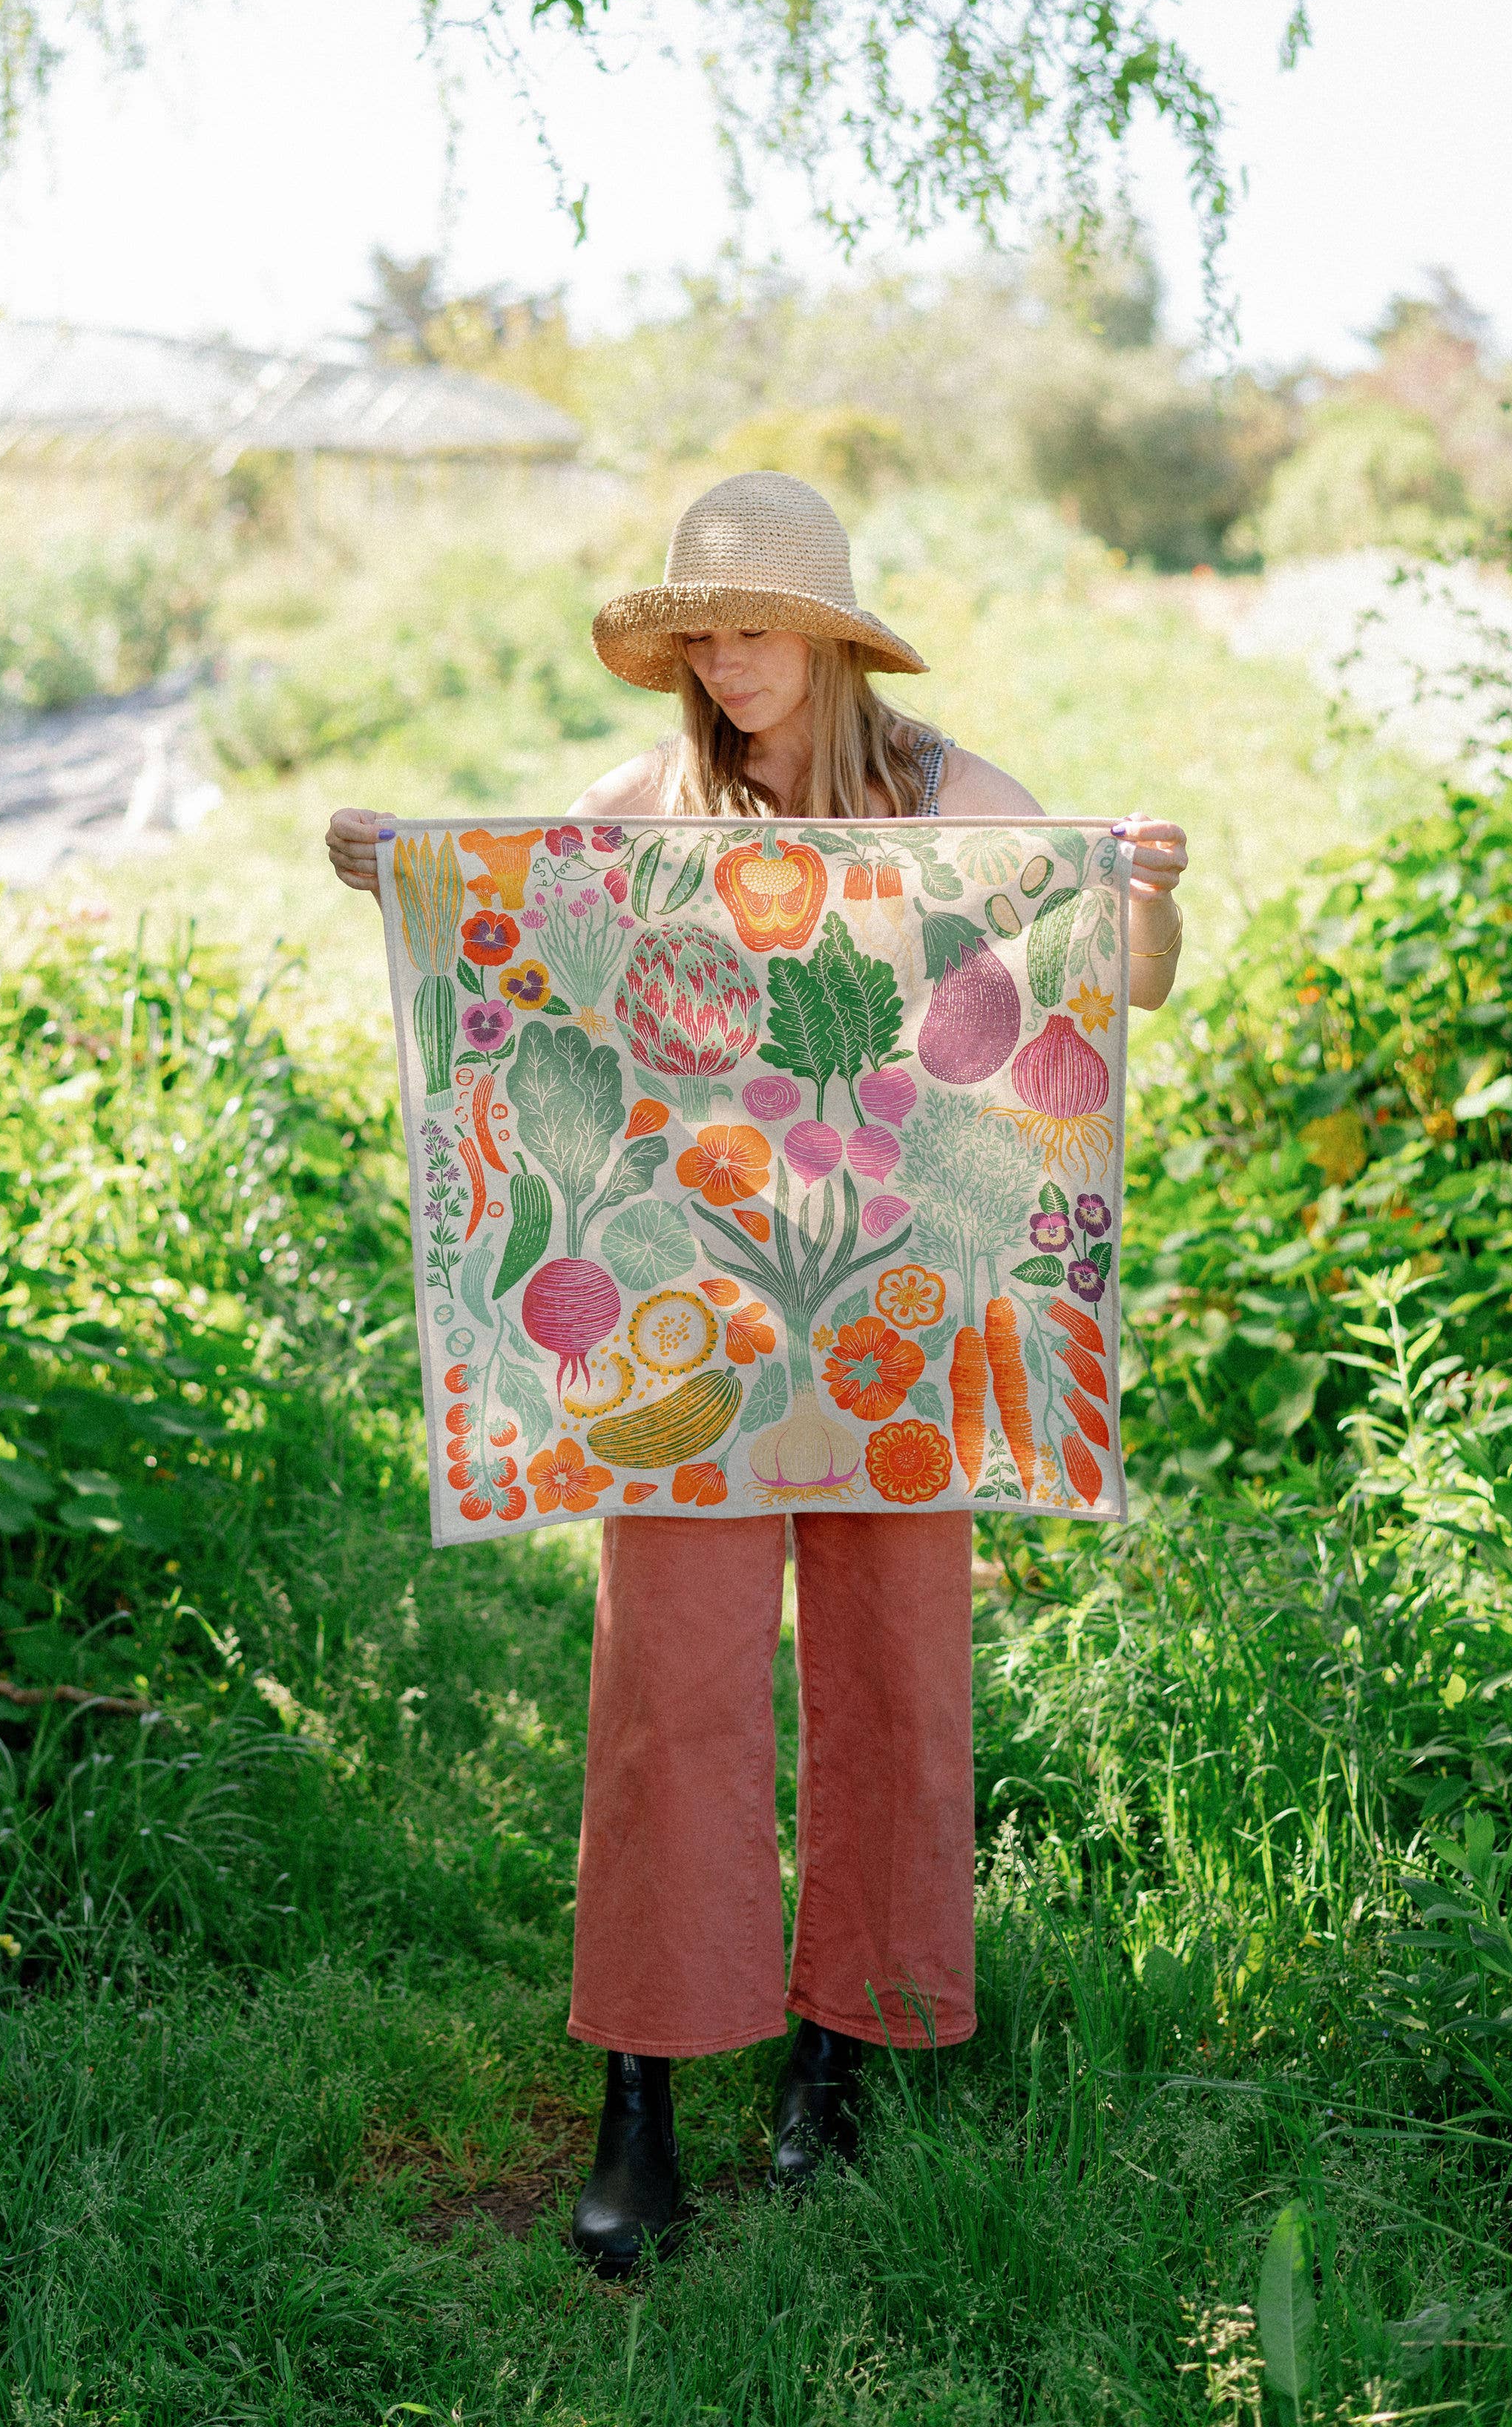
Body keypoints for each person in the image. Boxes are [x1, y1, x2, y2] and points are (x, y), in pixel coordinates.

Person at [325, 471, 1189, 2276]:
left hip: (901, 1317)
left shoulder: (950, 804)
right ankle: (639, 2086)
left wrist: (1149, 894)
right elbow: (526, 969)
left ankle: (842, 2039)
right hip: (694, 1333)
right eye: (699, 631)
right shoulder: (642, 805)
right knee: (673, 1695)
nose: (724, 662)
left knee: (893, 1683)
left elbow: (1121, 980)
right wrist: (402, 877)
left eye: (754, 627)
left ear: (826, 637)